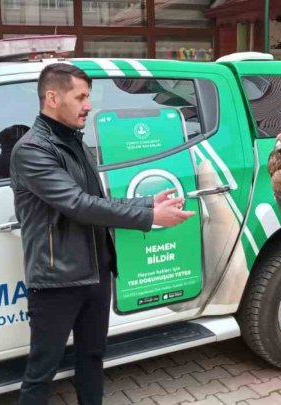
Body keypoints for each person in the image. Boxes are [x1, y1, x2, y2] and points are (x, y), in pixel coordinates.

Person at [10, 62, 194, 405]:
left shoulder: (75, 141)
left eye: (88, 97)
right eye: (80, 97)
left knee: (92, 358)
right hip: (57, 280)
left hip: (95, 272)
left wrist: (146, 202)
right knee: (42, 371)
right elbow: (78, 205)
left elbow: (97, 201)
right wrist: (151, 216)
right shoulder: (32, 149)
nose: (89, 105)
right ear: (52, 98)